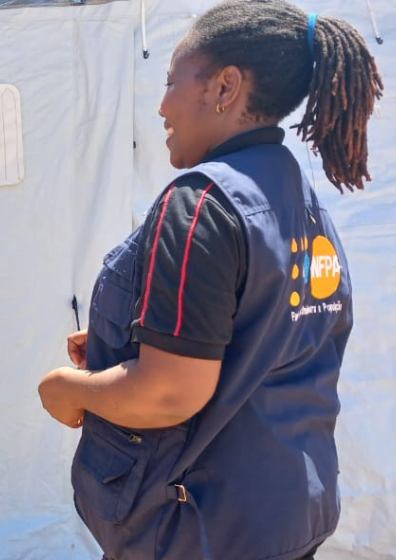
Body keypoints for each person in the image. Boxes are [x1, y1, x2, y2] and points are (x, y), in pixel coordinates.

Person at [37, 1, 383, 559]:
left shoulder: (200, 205)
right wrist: (120, 343)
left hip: (201, 525)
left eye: (173, 80)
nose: (162, 104)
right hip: (287, 510)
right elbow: (265, 338)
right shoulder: (295, 194)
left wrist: (64, 389)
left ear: (225, 86)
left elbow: (169, 392)